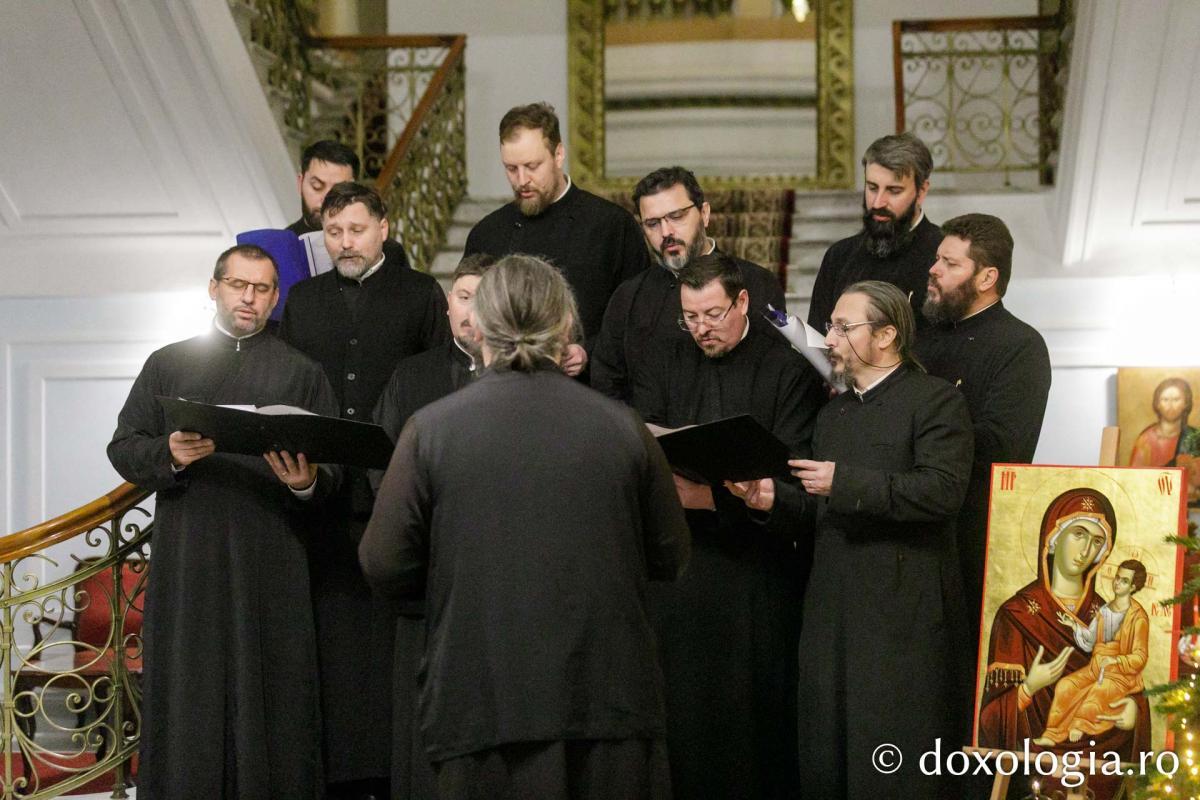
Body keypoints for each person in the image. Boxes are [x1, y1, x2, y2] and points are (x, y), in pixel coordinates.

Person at [359, 254, 691, 800]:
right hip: (608, 701)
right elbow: (671, 555)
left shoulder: (432, 430)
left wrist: (453, 590)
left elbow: (383, 562)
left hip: (481, 699)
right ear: (566, 324)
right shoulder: (623, 428)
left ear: (481, 325)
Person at [107, 244, 339, 799]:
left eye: (261, 289)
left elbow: (337, 467)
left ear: (275, 298)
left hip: (270, 550)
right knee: (191, 685)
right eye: (238, 285)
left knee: (274, 686)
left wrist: (305, 481)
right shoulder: (167, 363)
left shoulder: (302, 372)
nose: (248, 298)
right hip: (191, 552)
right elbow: (123, 447)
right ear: (214, 288)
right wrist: (169, 452)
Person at [729, 280, 974, 799]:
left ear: (886, 335)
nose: (829, 339)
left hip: (902, 621)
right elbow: (819, 511)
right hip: (832, 615)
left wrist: (844, 482)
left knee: (892, 767)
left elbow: (942, 493)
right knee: (829, 761)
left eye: (843, 327)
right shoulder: (833, 414)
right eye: (830, 326)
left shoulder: (936, 400)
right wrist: (770, 499)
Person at [630, 252, 824, 799]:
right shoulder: (663, 358)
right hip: (683, 569)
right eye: (690, 317)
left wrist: (711, 497)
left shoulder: (786, 370)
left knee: (751, 725)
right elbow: (643, 438)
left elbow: (795, 478)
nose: (702, 329)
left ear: (742, 302)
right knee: (684, 717)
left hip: (756, 573)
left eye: (713, 315)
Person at [279, 182, 449, 800]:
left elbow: (437, 383)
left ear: (383, 228)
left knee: (391, 647)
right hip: (320, 498)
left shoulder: (420, 294)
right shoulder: (303, 300)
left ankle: (398, 772)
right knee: (333, 649)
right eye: (333, 232)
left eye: (356, 229)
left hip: (398, 496)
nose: (345, 243)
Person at [369, 252, 494, 800]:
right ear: (447, 305)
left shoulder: (525, 378)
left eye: (484, 299)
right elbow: (382, 468)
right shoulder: (411, 376)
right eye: (463, 297)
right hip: (427, 578)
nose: (472, 311)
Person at [914, 213, 1051, 650]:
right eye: (937, 258)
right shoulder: (921, 337)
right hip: (910, 530)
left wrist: (916, 429)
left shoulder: (1021, 347)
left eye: (950, 263)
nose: (934, 269)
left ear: (987, 277)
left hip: (969, 541)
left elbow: (1001, 446)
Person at [462, 102, 650, 372]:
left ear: (558, 154)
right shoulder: (487, 233)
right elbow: (472, 312)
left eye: (532, 166)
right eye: (511, 169)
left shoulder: (612, 225)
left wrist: (589, 352)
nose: (522, 180)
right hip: (504, 385)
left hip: (591, 386)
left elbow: (637, 317)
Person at [977, 488, 1151, 761]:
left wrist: (1132, 710)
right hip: (1031, 760)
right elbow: (990, 721)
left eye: (1097, 541)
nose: (1086, 550)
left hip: (1099, 753)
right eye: (1078, 534)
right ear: (1054, 538)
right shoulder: (1016, 615)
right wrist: (1028, 688)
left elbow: (1132, 680)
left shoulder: (1112, 612)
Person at [591, 165, 787, 402]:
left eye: (676, 216)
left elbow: (776, 373)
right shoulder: (629, 297)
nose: (666, 232)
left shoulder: (756, 283)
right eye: (652, 223)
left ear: (704, 213)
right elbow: (607, 384)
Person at [807, 132, 943, 333]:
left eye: (894, 191)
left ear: (921, 191)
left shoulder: (942, 256)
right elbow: (817, 337)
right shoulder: (839, 256)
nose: (878, 203)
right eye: (872, 188)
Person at [1035, 559, 1150, 746]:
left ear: (1133, 587)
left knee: (1099, 691)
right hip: (1095, 668)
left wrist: (1116, 661)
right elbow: (1089, 641)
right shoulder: (1104, 610)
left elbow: (1140, 657)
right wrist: (1074, 626)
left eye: (1124, 581)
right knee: (1065, 685)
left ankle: (1080, 725)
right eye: (1117, 577)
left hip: (1121, 676)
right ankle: (1052, 735)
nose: (1117, 583)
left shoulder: (1138, 617)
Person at [287, 140, 409, 267]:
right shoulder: (282, 248)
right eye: (317, 186)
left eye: (338, 190)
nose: (327, 200)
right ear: (300, 183)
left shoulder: (387, 251)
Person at [1129, 378, 1195, 467]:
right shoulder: (1145, 440)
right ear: (1158, 404)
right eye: (1165, 399)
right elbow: (1135, 473)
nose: (1170, 405)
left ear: (1185, 403)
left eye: (1176, 400)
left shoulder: (1193, 438)